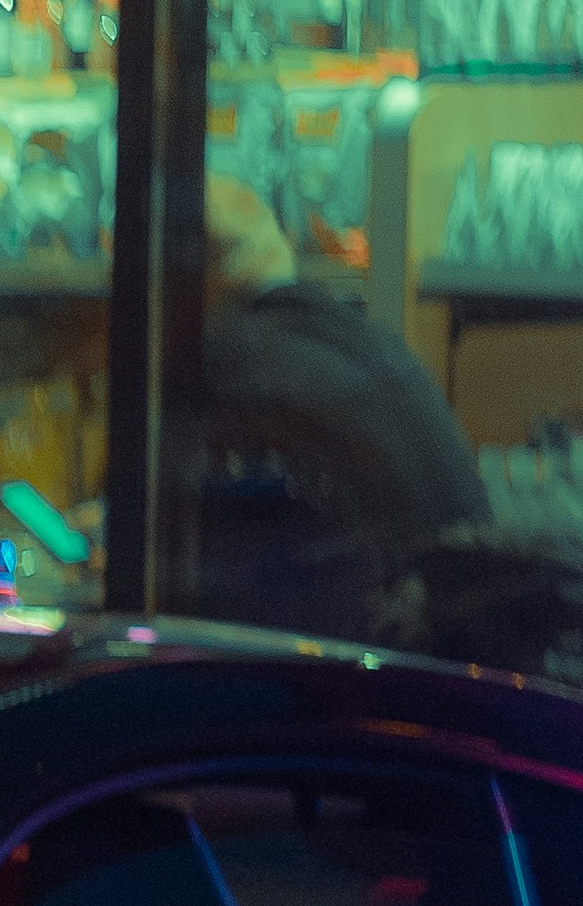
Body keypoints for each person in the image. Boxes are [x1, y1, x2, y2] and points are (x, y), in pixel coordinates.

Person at [184, 174, 488, 642]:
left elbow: (196, 561)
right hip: (466, 622)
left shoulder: (235, 356)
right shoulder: (348, 332)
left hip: (406, 644)